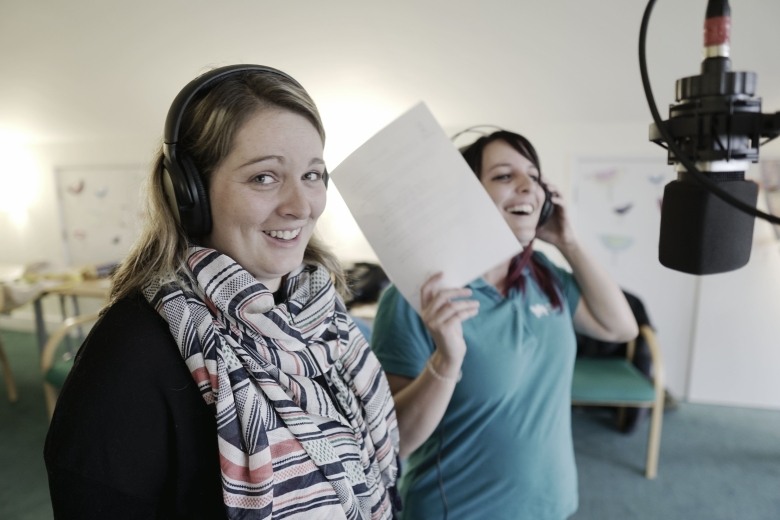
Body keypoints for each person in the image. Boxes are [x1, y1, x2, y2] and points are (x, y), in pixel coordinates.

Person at [44, 64, 400, 520]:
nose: (300, 205)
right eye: (264, 178)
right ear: (189, 194)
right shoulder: (132, 350)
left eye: (312, 175)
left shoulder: (324, 313)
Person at [370, 129, 638, 519]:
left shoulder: (542, 275)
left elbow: (620, 329)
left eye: (534, 175)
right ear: (466, 198)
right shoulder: (416, 297)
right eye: (504, 176)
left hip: (551, 505)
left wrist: (568, 243)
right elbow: (395, 443)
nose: (529, 186)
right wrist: (446, 361)